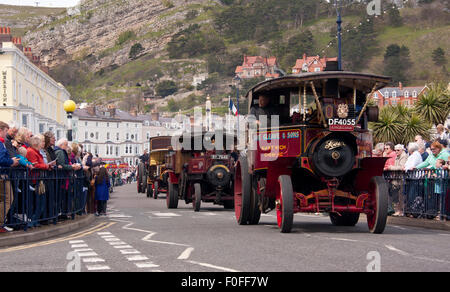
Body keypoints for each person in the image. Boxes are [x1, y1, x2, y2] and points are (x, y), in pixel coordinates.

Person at [26, 135, 56, 227]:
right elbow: (35, 165)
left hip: (40, 178)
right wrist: (47, 166)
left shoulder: (36, 151)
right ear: (35, 144)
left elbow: (40, 164)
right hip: (36, 179)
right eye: (40, 143)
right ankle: (33, 221)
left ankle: (36, 221)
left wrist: (48, 166)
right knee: (39, 202)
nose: (41, 145)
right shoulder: (31, 152)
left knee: (41, 202)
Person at [0, 122, 19, 232]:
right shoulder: (0, 143)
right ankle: (1, 223)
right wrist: (11, 161)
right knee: (8, 199)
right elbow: (1, 159)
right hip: (2, 175)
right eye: (6, 130)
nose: (6, 133)